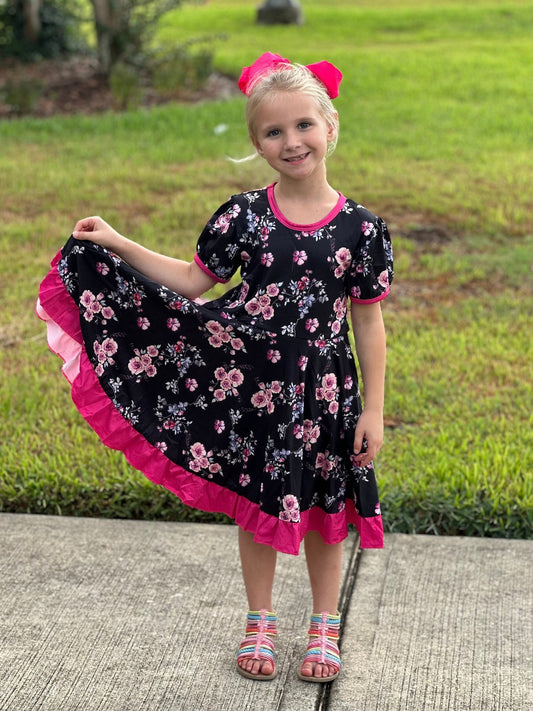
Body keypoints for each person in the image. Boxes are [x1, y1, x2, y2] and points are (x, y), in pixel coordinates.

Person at [37, 52, 393, 683]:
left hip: (324, 397)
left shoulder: (362, 231)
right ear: (257, 143)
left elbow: (367, 320)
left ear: (330, 127)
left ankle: (323, 625)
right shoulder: (244, 217)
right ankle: (260, 618)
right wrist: (116, 242)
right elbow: (191, 283)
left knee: (324, 513)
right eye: (274, 132)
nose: (292, 141)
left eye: (304, 125)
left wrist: (373, 409)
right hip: (251, 392)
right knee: (258, 506)